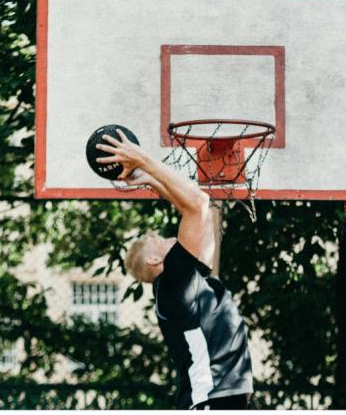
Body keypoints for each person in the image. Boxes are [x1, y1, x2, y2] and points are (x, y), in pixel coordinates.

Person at [96, 129, 253, 410]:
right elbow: (198, 205)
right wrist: (141, 158)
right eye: (161, 240)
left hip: (218, 400)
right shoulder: (175, 285)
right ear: (155, 261)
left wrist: (153, 182)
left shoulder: (188, 281)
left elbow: (196, 210)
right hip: (209, 402)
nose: (171, 238)